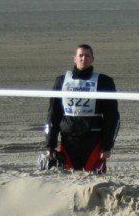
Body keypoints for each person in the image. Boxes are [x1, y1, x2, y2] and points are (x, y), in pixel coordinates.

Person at [44, 44, 120, 173]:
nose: (83, 59)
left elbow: (112, 116)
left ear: (92, 59)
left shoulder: (104, 81)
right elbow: (53, 114)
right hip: (68, 139)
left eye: (87, 55)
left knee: (94, 178)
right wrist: (50, 145)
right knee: (68, 178)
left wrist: (107, 146)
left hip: (94, 139)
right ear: (74, 58)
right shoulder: (61, 81)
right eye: (80, 55)